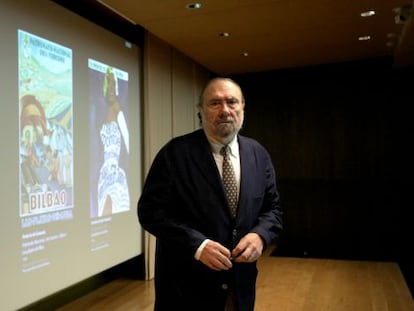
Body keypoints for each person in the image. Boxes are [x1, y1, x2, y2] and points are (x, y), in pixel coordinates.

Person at [137, 77, 283, 311]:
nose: (225, 110)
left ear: (242, 107)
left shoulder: (259, 154)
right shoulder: (174, 154)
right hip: (185, 290)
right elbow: (150, 212)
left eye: (232, 102)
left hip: (240, 287)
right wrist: (197, 245)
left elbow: (272, 210)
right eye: (215, 103)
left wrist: (260, 236)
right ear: (201, 110)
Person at [97, 67, 130, 217]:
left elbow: (128, 140)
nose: (111, 89)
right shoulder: (101, 111)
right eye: (108, 85)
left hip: (117, 174)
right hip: (104, 173)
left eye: (113, 85)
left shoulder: (118, 109)